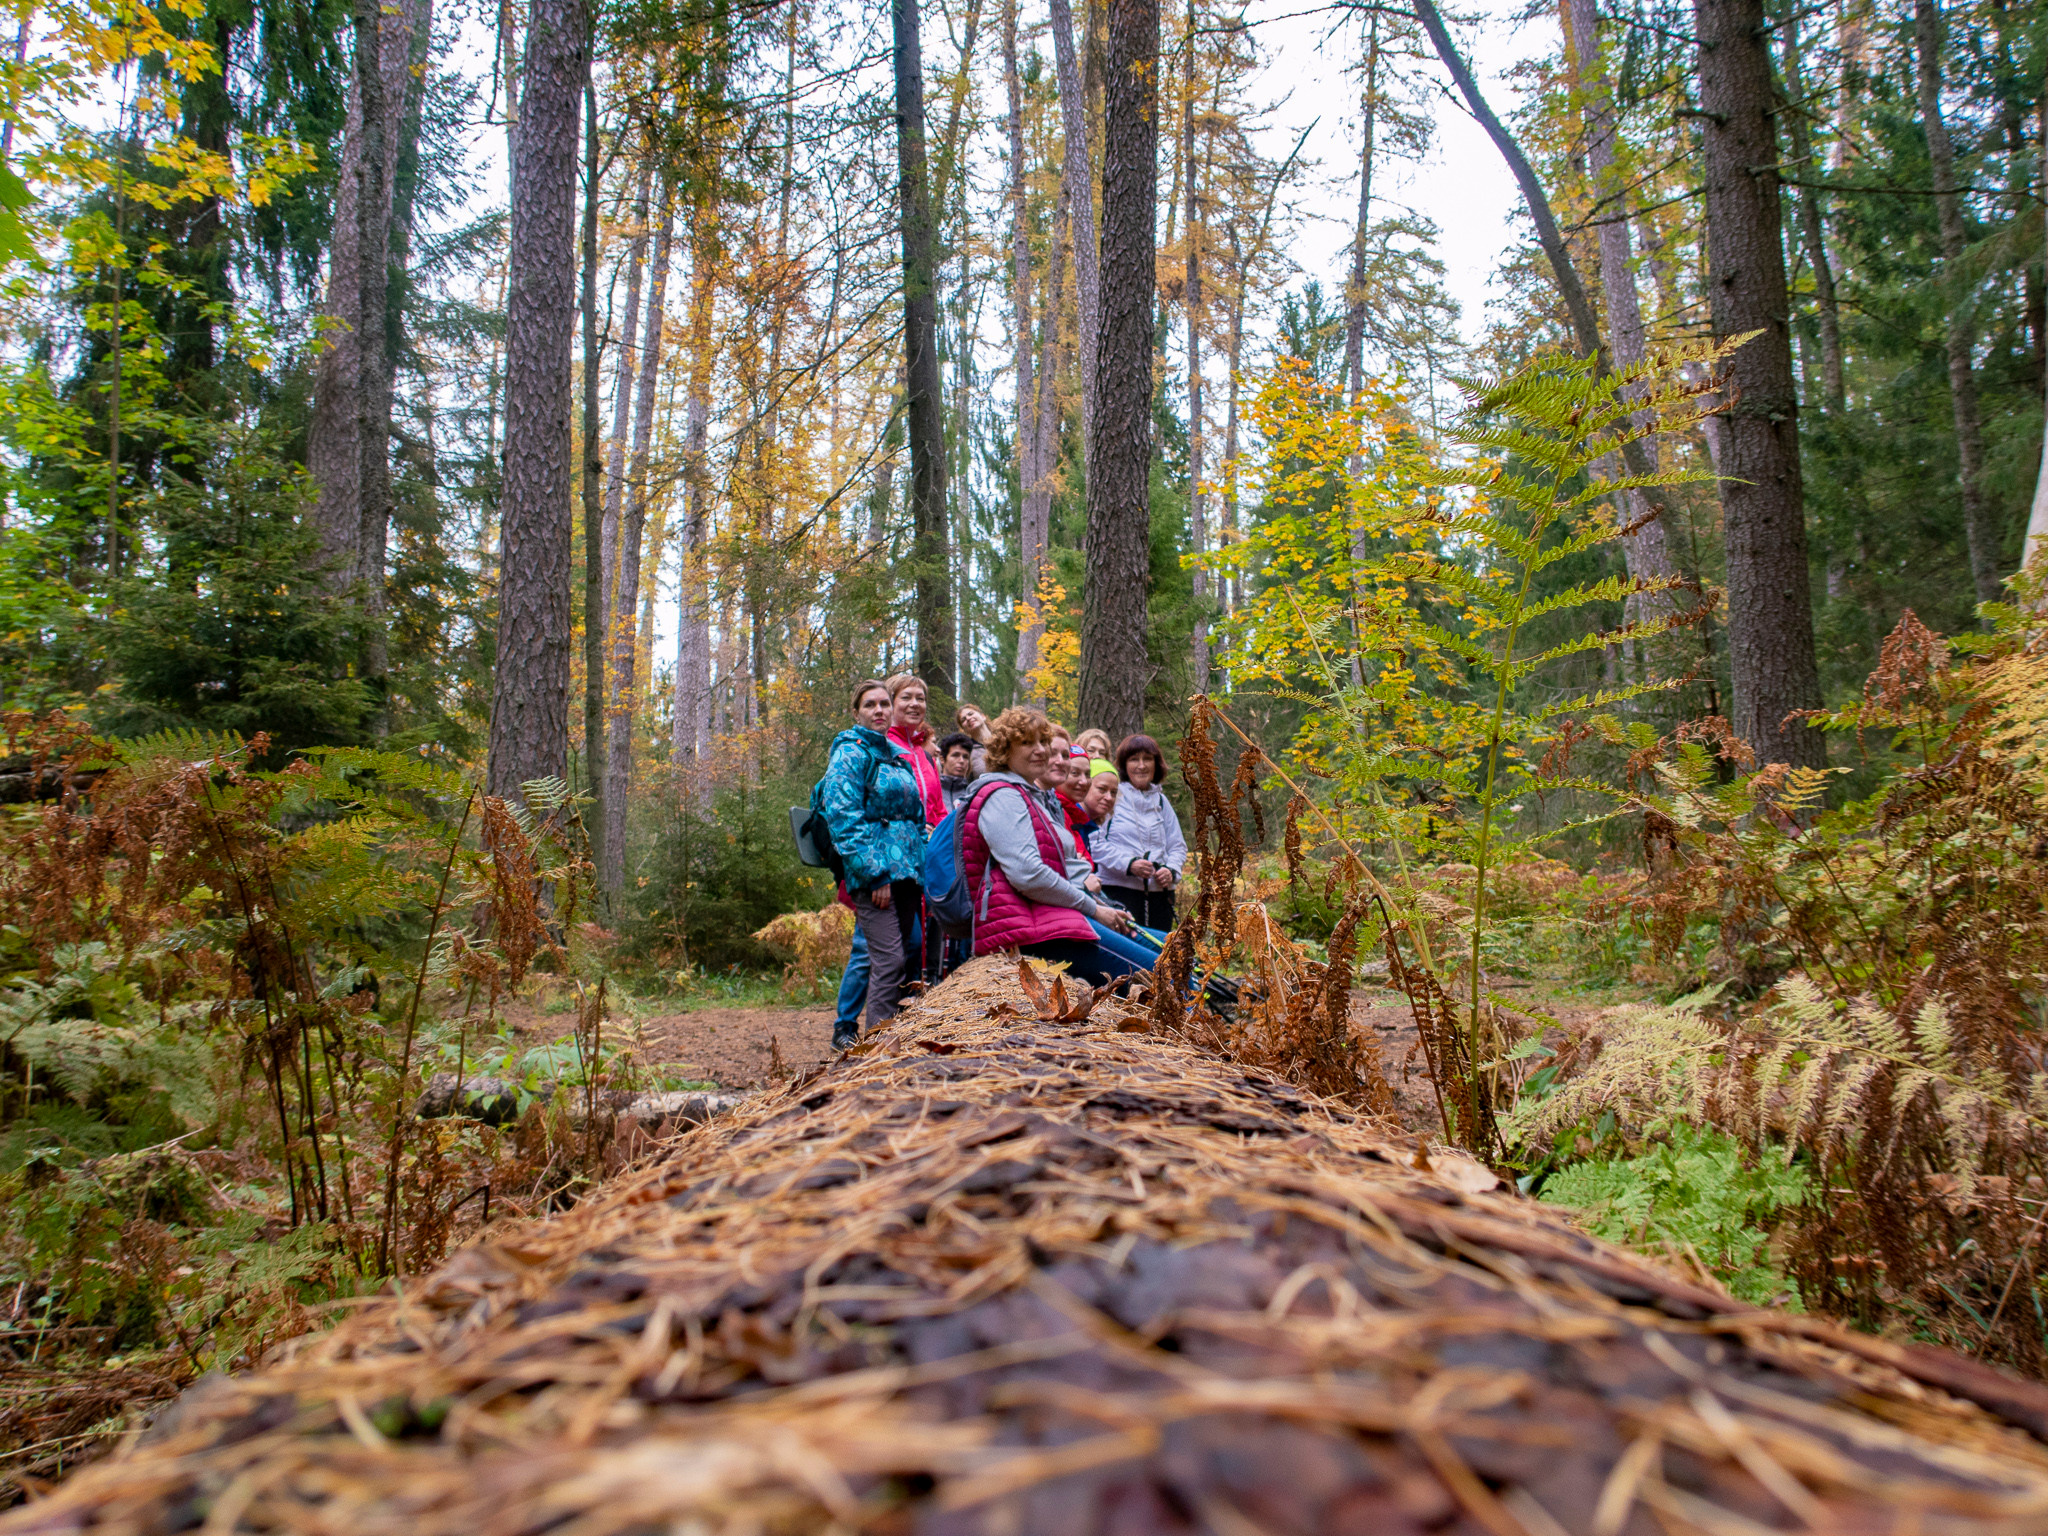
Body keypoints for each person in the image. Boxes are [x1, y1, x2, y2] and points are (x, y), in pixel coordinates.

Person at [957, 707, 1145, 985]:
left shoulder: (1024, 794)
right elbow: (1029, 875)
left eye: (1043, 742)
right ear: (1004, 749)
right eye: (1027, 742)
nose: (1040, 750)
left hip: (1044, 922)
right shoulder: (1003, 796)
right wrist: (1093, 909)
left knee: (1164, 958)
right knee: (1160, 973)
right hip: (1028, 933)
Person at [820, 681, 930, 1049]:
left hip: (908, 875)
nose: (879, 710)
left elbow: (916, 817)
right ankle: (878, 1048)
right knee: (889, 960)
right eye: (870, 705)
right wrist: (873, 873)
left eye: (884, 703)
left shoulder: (897, 757)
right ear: (857, 712)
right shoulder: (850, 754)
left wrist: (921, 862)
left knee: (907, 954)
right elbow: (843, 818)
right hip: (875, 877)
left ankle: (894, 1038)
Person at [1096, 733, 1187, 933]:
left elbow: (1177, 846)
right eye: (1134, 759)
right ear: (1124, 765)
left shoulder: (1161, 801)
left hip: (1159, 895)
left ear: (1156, 764)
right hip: (1119, 892)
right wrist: (1129, 864)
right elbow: (1095, 844)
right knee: (1126, 948)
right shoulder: (1112, 798)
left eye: (1147, 759)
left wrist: (1171, 871)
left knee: (1160, 948)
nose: (1141, 765)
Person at [1078, 762, 1119, 860]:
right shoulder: (1069, 820)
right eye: (1102, 789)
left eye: (1113, 792)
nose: (1109, 797)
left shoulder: (1091, 826)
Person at [936, 732, 978, 813]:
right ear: (942, 759)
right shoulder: (931, 792)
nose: (961, 761)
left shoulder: (973, 796)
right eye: (955, 755)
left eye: (965, 757)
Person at [955, 705, 993, 777]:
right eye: (963, 720)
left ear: (983, 716)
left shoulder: (1003, 739)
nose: (968, 718)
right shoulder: (967, 753)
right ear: (964, 730)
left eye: (970, 714)